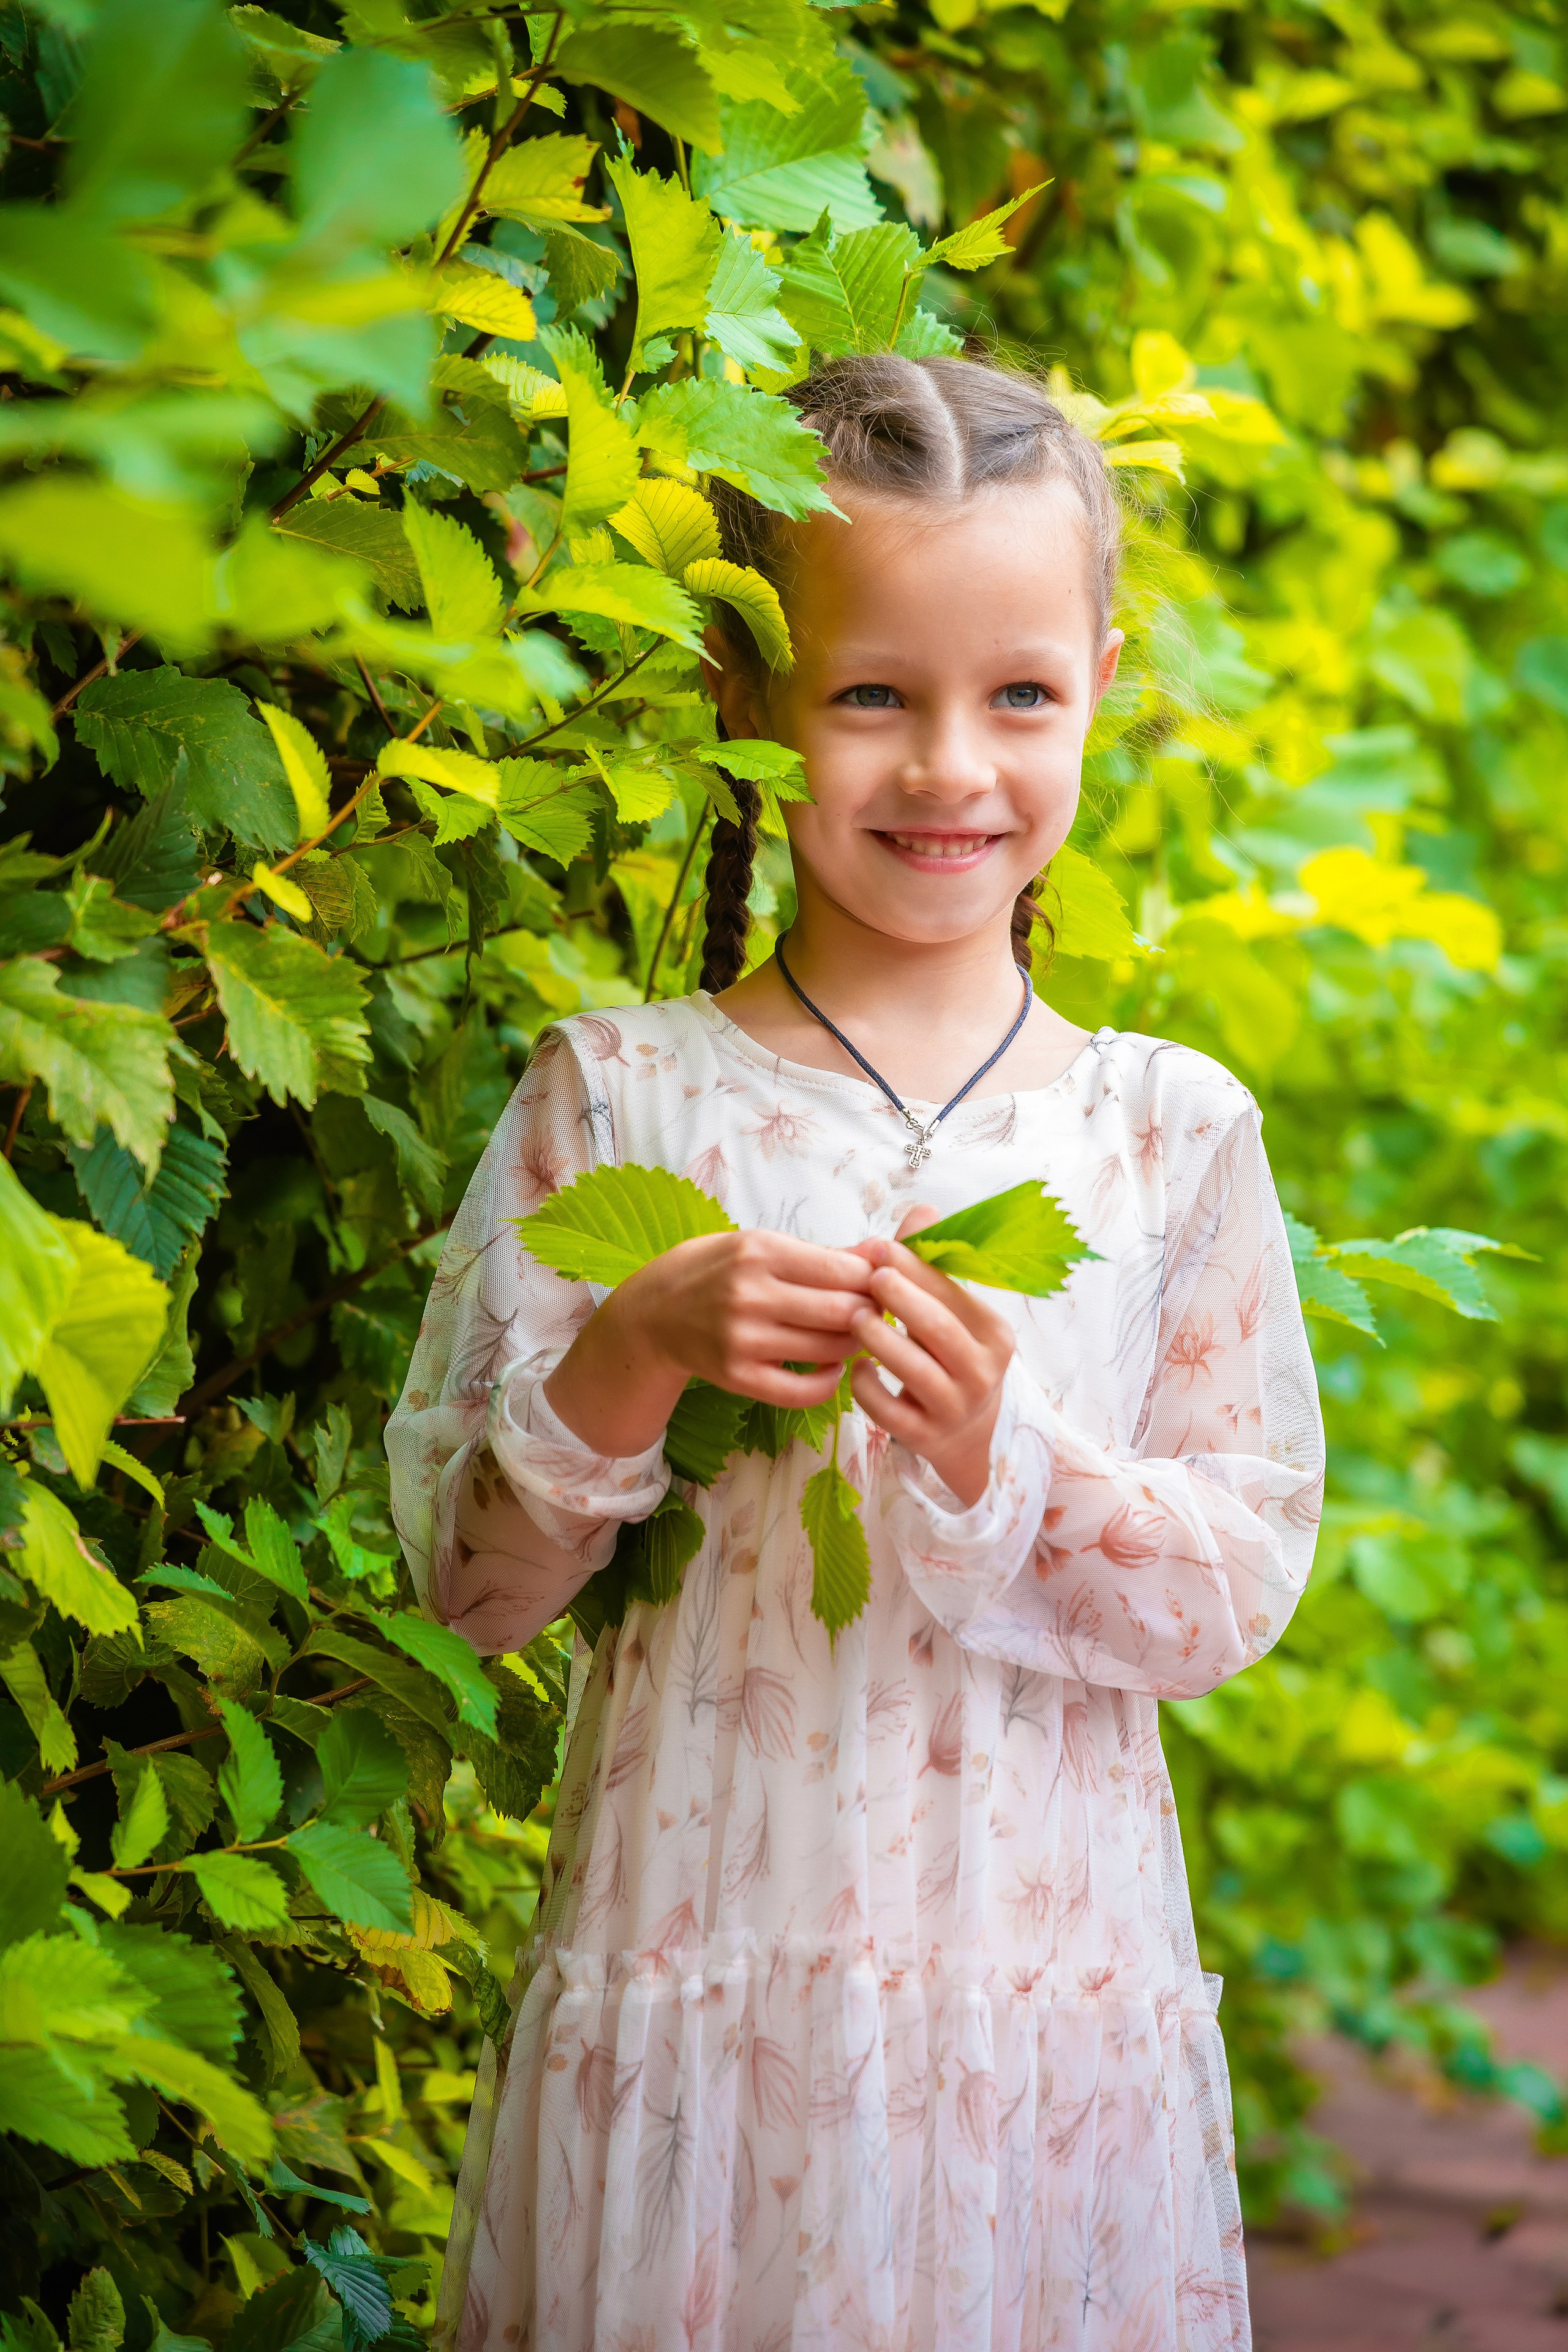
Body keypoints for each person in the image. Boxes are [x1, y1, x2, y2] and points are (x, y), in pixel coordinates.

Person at [386, 353, 1324, 2352]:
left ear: (1100, 686)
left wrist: (1009, 1452)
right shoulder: (619, 1099)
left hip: (1037, 2011)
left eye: (1021, 696)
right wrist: (636, 1344)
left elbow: (1234, 1585)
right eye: (873, 695)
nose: (950, 769)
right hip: (703, 1994)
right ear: (747, 691)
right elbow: (472, 1591)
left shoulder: (1166, 1133)